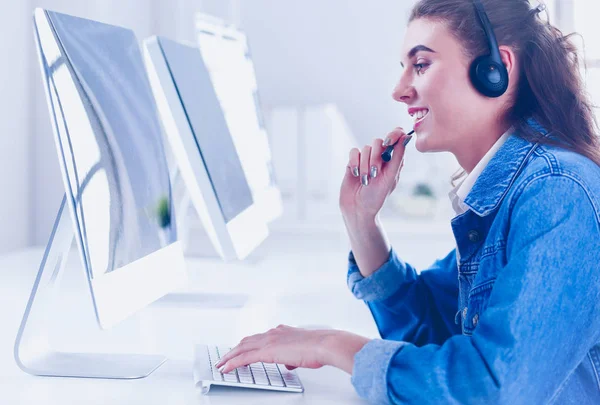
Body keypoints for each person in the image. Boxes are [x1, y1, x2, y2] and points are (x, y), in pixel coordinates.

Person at [215, 0, 600, 403]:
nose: (399, 91)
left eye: (421, 65)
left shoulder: (558, 192)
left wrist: (329, 344)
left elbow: (489, 389)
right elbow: (432, 330)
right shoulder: (512, 194)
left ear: (496, 69)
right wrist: (362, 222)